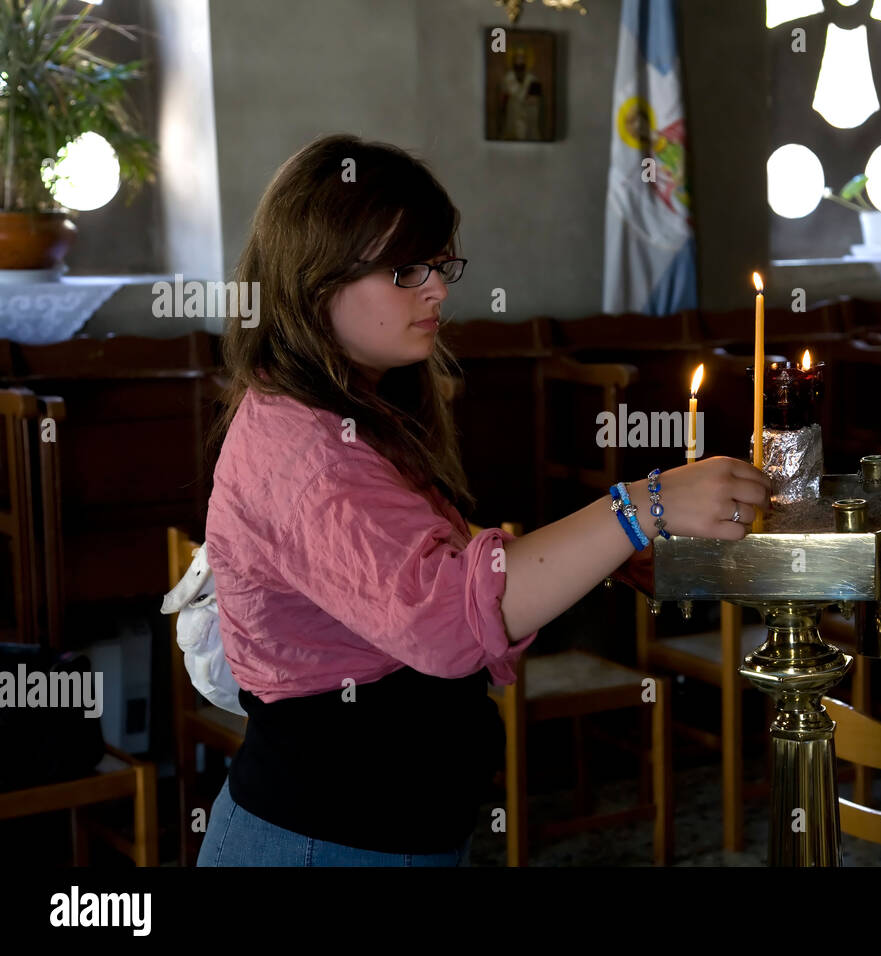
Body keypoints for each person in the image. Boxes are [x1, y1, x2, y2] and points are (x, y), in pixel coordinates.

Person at [196, 133, 771, 866]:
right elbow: (443, 620)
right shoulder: (308, 449)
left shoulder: (351, 406)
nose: (437, 288)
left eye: (439, 264)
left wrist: (604, 552)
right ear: (316, 282)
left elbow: (413, 561)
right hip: (324, 840)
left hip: (383, 833)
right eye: (406, 270)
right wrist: (641, 507)